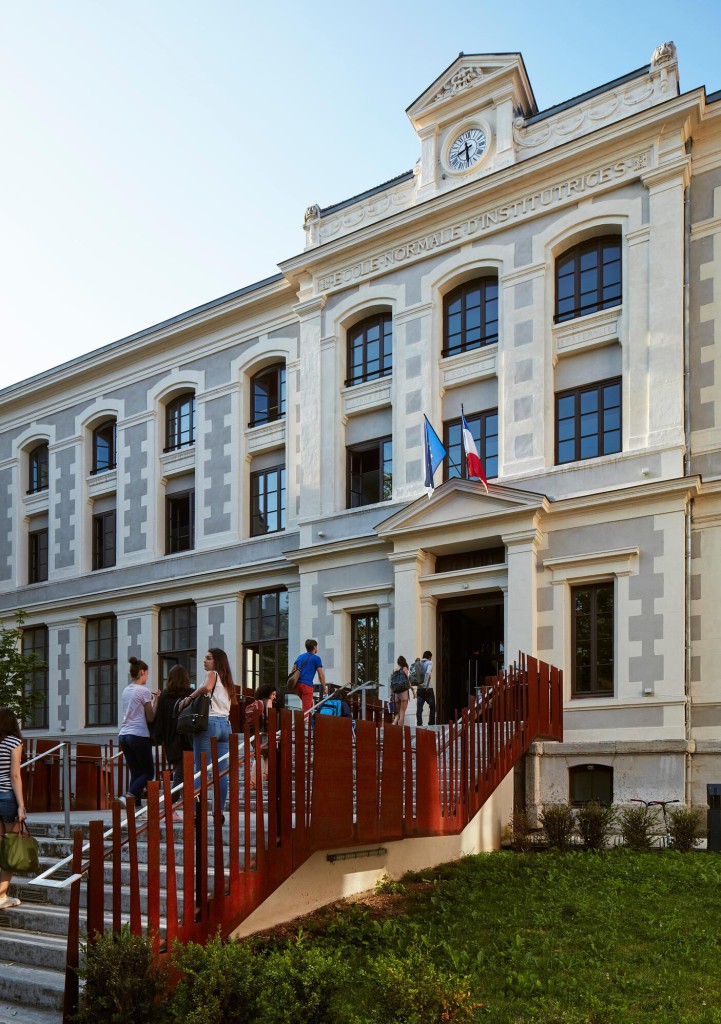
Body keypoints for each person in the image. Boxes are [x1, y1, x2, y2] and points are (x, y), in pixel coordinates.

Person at [179, 648, 237, 818]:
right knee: (221, 772)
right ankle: (218, 812)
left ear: (217, 661)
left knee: (200, 768)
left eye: (209, 658)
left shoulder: (212, 674)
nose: (205, 661)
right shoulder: (228, 681)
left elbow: (206, 687)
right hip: (226, 726)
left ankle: (196, 812)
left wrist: (189, 698)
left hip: (209, 723)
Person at [118, 657, 158, 808]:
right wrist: (157, 702)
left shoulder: (126, 690)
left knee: (136, 772)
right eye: (147, 674)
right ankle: (129, 796)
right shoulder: (144, 691)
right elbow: (150, 717)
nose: (147, 677)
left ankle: (136, 807)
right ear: (142, 672)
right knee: (148, 773)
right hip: (138, 734)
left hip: (124, 735)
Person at [0, 708, 26, 909]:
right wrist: (22, 806)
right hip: (8, 797)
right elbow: (15, 775)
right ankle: (1, 895)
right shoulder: (14, 742)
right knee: (12, 850)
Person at [154, 664, 193, 800]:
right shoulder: (190, 695)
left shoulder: (163, 697)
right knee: (181, 775)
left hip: (170, 742)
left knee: (181, 773)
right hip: (187, 740)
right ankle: (170, 803)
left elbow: (159, 721)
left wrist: (160, 738)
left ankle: (182, 808)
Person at [247, 682, 276, 789]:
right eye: (273, 694)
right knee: (262, 756)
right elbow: (269, 717)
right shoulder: (268, 702)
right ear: (267, 694)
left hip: (254, 733)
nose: (274, 697)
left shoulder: (257, 702)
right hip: (264, 733)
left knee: (263, 755)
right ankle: (253, 782)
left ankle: (261, 778)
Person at [292, 639, 326, 713]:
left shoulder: (300, 657)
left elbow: (292, 671)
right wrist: (324, 688)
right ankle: (302, 724)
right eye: (316, 647)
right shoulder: (316, 658)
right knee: (307, 710)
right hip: (306, 686)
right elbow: (321, 675)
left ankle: (309, 723)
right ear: (314, 647)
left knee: (309, 705)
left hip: (297, 685)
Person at [390, 656, 413, 728]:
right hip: (404, 693)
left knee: (398, 712)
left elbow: (391, 685)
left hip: (396, 693)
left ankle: (394, 723)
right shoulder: (405, 669)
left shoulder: (394, 671)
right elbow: (408, 682)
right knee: (402, 713)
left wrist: (391, 695)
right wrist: (413, 690)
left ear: (397, 662)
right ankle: (400, 730)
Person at [416, 650, 435, 727]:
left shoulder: (418, 663)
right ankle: (431, 723)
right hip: (428, 689)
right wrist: (424, 683)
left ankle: (419, 723)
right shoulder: (430, 663)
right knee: (432, 706)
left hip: (419, 689)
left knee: (419, 708)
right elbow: (427, 672)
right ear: (430, 657)